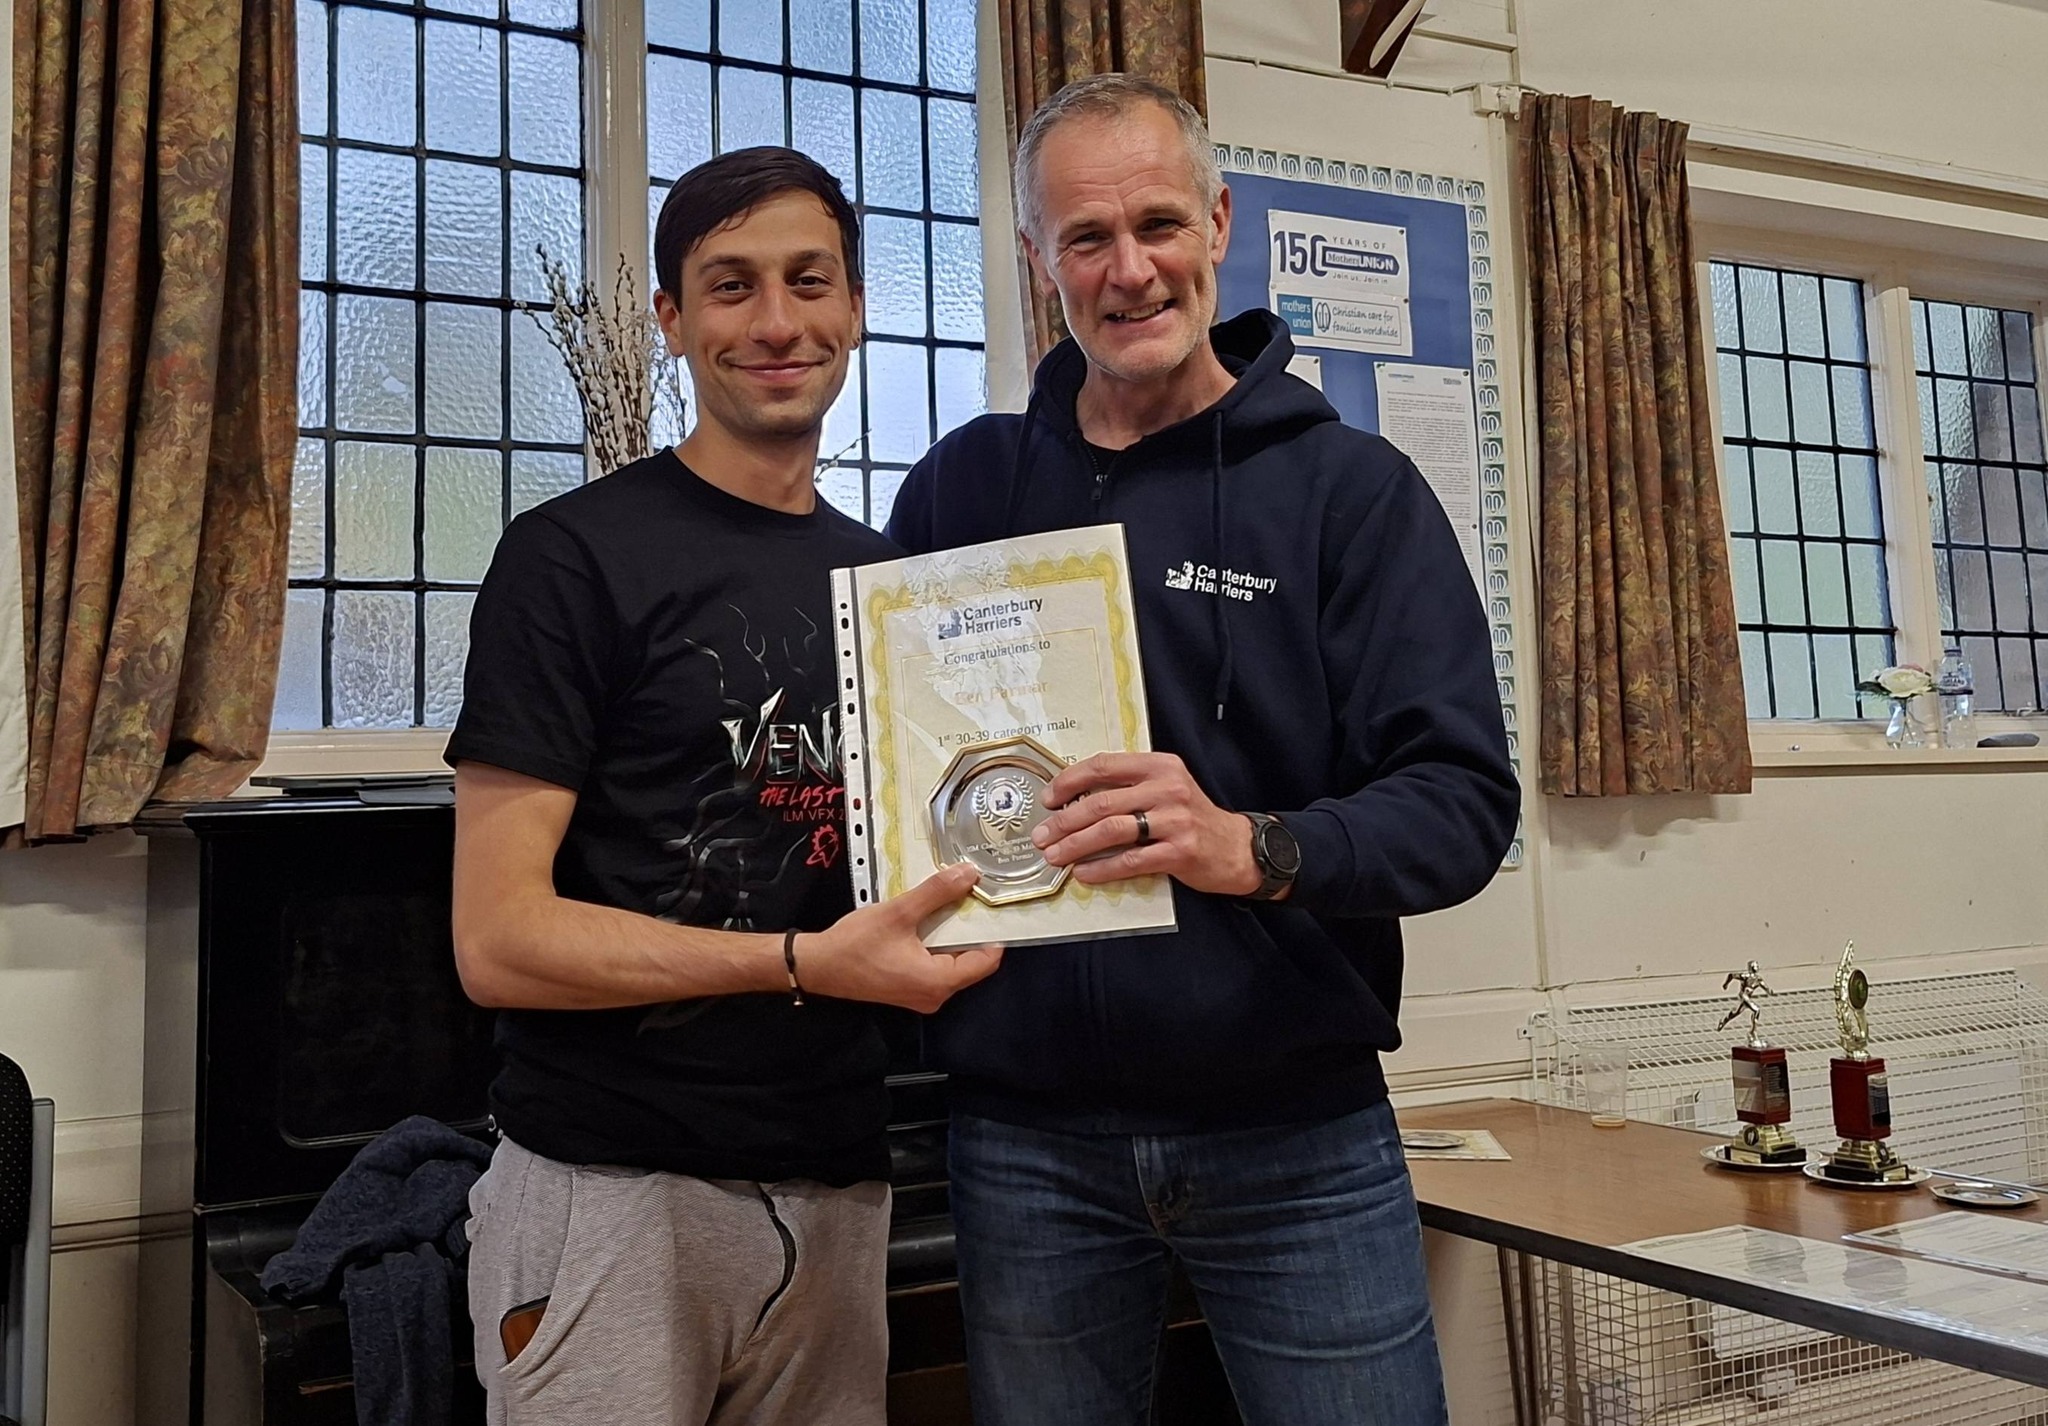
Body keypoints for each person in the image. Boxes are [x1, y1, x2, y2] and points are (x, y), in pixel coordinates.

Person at [885, 75, 1520, 1425]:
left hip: (1297, 1134)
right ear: (1038, 260)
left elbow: (1462, 803)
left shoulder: (1351, 492)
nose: (1129, 270)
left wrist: (1256, 845)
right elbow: (894, 768)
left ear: (1218, 222)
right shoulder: (961, 489)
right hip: (1024, 1137)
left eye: (1158, 224)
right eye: (1086, 238)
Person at [447, 146, 1002, 1426]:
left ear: (854, 307)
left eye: (808, 281)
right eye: (730, 285)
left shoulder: (894, 587)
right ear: (671, 319)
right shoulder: (569, 557)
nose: (774, 322)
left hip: (840, 1184)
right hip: (609, 1190)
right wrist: (802, 962)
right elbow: (497, 940)